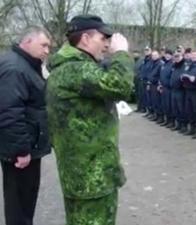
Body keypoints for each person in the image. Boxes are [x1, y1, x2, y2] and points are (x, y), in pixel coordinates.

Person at [46, 15, 133, 225]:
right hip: (90, 178)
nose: (107, 44)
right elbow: (120, 86)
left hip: (90, 173)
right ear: (85, 38)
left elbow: (120, 90)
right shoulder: (75, 69)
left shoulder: (74, 67)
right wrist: (121, 53)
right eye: (103, 38)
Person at [0, 26, 51, 225]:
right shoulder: (15, 68)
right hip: (21, 152)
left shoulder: (25, 65)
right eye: (44, 45)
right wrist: (21, 150)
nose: (47, 50)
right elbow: (9, 112)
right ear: (27, 42)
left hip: (27, 146)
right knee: (19, 206)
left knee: (23, 202)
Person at [170, 51, 188, 133]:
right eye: (175, 56)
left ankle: (184, 125)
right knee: (175, 108)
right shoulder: (174, 65)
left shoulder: (184, 65)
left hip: (181, 90)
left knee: (181, 108)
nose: (176, 58)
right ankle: (179, 124)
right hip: (173, 89)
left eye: (178, 56)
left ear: (182, 56)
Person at [146, 51, 164, 123]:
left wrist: (159, 84)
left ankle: (160, 117)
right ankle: (155, 115)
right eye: (153, 55)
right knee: (153, 101)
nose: (154, 56)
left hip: (156, 84)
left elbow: (160, 75)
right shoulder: (152, 63)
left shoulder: (160, 64)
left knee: (157, 101)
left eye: (155, 55)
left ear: (158, 55)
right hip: (151, 84)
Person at [159, 49, 174, 128]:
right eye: (166, 54)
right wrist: (160, 84)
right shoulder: (164, 64)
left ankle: (171, 121)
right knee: (164, 105)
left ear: (171, 56)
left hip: (169, 88)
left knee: (169, 105)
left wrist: (168, 84)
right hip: (163, 87)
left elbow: (172, 76)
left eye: (169, 54)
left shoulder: (172, 64)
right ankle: (167, 120)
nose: (167, 56)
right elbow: (161, 76)